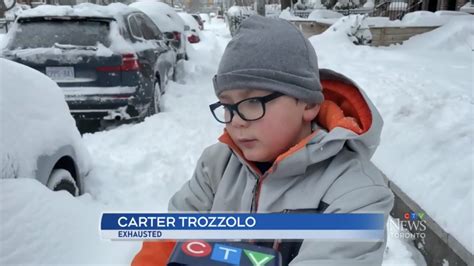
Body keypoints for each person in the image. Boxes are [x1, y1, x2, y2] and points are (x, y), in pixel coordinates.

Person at [132, 15, 394, 266]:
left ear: (309, 104)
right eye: (227, 105)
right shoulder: (217, 165)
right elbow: (168, 241)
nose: (236, 121)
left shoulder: (357, 194)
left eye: (253, 102)